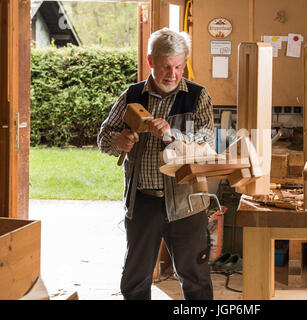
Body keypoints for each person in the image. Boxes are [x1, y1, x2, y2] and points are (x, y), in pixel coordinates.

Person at [98, 28, 215, 300]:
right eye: (165, 66)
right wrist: (120, 141)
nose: (172, 74)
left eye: (178, 66)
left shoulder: (197, 95)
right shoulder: (133, 95)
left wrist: (173, 136)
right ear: (151, 61)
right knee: (135, 279)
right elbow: (103, 137)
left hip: (187, 202)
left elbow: (207, 141)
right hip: (143, 202)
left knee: (195, 278)